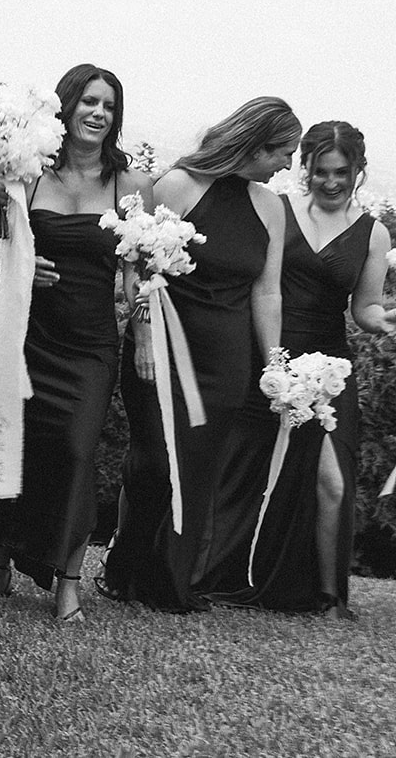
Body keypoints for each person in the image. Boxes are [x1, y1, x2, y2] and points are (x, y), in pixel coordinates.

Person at [99, 96, 298, 611]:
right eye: (284, 152)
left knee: (199, 473)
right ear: (255, 145)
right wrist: (142, 333)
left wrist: (274, 363)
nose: (287, 166)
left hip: (227, 359)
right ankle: (127, 566)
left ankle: (170, 582)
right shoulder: (178, 185)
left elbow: (267, 290)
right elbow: (138, 269)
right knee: (156, 464)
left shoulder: (271, 207)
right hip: (162, 345)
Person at [0, 65, 152, 621]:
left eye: (108, 105)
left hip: (91, 343)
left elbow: (141, 275)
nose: (98, 113)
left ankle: (69, 581)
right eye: (88, 102)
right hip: (28, 334)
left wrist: (143, 323)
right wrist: (21, 268)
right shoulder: (29, 176)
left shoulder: (131, 187)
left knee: (78, 452)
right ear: (66, 108)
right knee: (18, 444)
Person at [209, 122, 395, 617]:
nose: (331, 182)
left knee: (331, 481)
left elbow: (366, 309)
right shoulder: (279, 210)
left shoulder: (373, 233)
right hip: (269, 356)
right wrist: (271, 360)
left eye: (342, 172)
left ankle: (327, 595)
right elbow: (258, 284)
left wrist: (387, 322)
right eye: (320, 171)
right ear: (305, 168)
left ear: (358, 171)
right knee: (245, 472)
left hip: (330, 370)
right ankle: (225, 573)